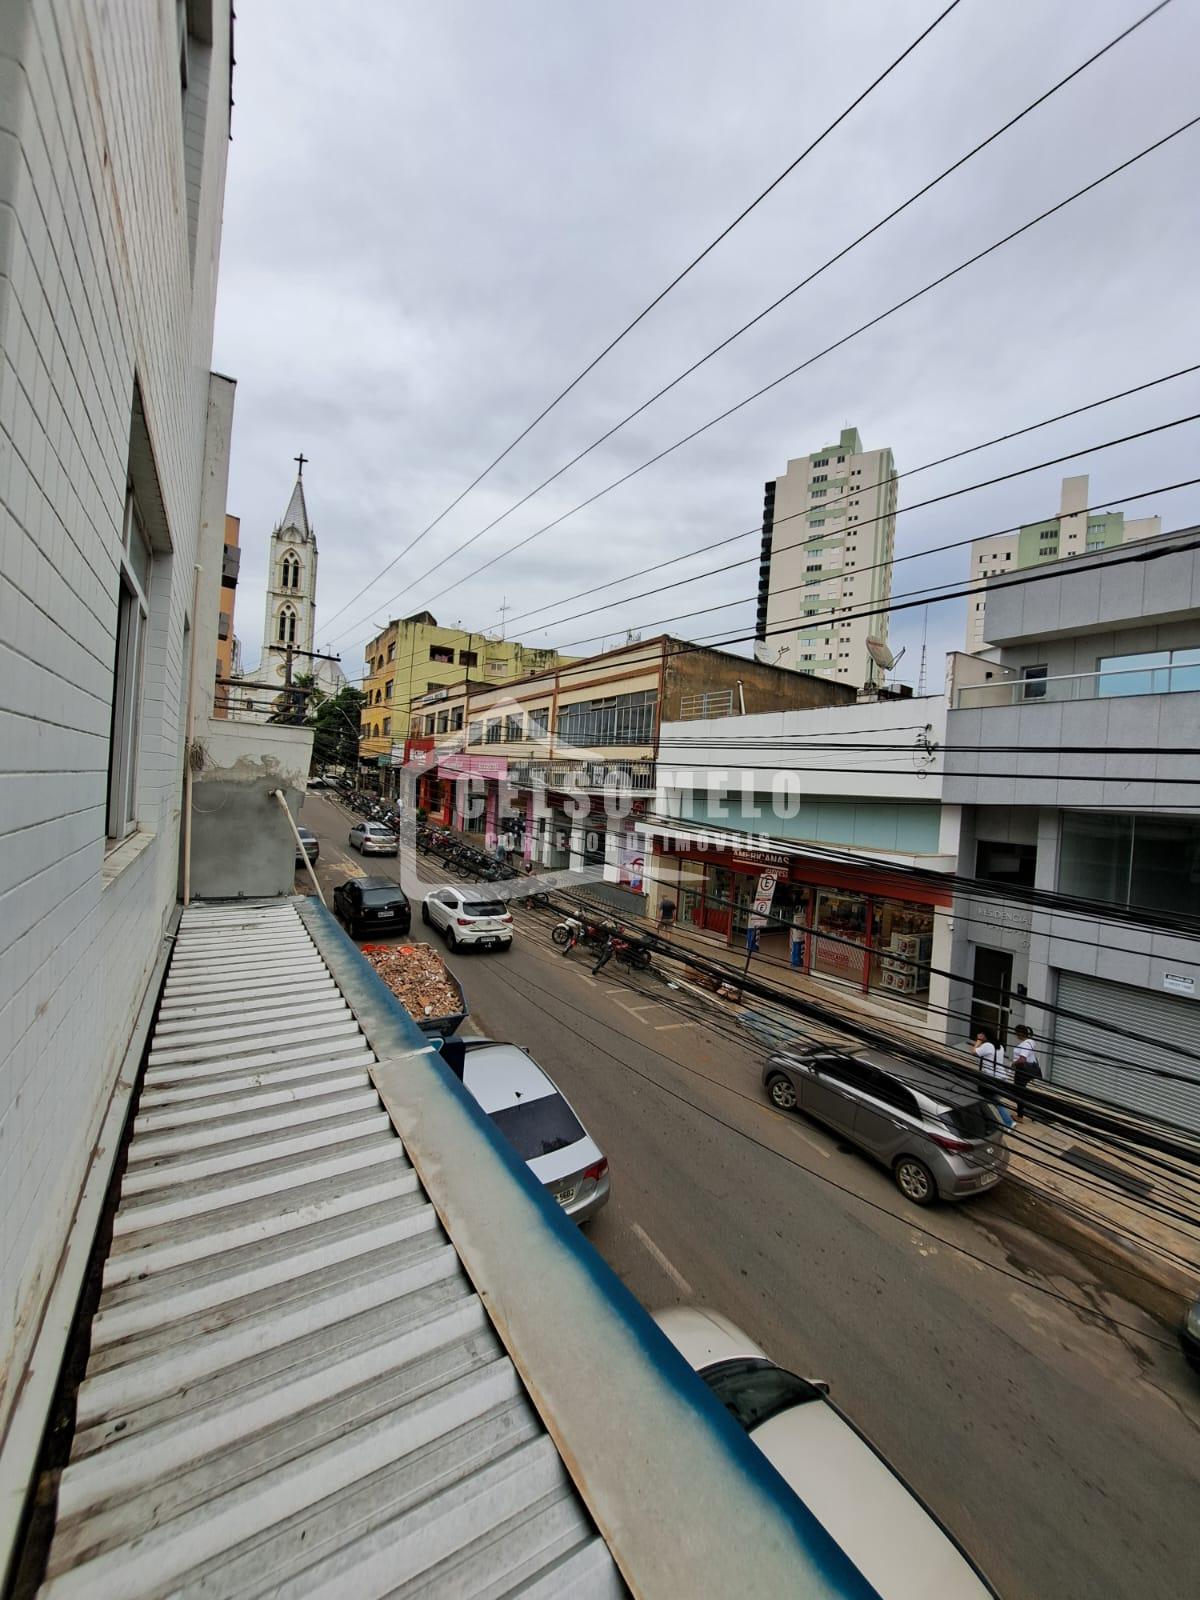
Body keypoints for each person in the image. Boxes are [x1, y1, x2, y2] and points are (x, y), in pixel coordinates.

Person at [1011, 1025, 1041, 1120]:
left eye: (1017, 1032)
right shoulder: (1030, 1042)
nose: (1016, 1035)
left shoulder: (1025, 1044)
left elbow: (1022, 1059)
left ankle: (1020, 1116)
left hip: (1022, 1071)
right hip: (1028, 1070)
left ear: (1021, 1033)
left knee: (1019, 1092)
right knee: (1021, 1092)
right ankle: (1024, 1111)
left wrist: (1013, 1064)